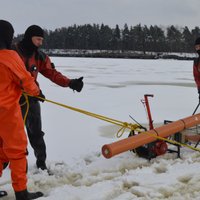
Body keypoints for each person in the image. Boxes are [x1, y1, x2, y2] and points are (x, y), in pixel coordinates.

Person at [13, 25, 84, 171]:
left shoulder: (39, 56)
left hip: (32, 98)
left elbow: (52, 73)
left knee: (36, 133)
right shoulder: (12, 52)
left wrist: (70, 82)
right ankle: (12, 165)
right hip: (12, 100)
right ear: (29, 37)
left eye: (41, 40)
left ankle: (41, 163)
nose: (40, 43)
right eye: (38, 39)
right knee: (12, 136)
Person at [0, 20, 43, 199]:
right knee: (17, 150)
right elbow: (26, 80)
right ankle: (21, 192)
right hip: (7, 111)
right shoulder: (9, 56)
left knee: (1, 150)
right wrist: (37, 93)